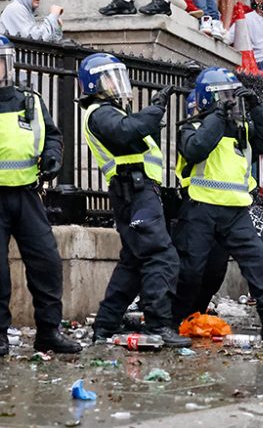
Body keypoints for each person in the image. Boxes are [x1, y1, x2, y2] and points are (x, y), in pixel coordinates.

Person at [0, 33, 80, 356]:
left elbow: (52, 135)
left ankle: (49, 330)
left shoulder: (29, 99)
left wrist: (53, 157)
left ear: (7, 64)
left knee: (46, 262)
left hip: (28, 195)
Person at [172, 67, 263, 341]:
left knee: (261, 261)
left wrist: (257, 109)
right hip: (200, 209)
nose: (232, 102)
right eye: (225, 96)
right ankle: (176, 320)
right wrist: (218, 115)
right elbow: (197, 148)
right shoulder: (191, 127)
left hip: (236, 211)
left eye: (234, 96)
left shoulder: (242, 129)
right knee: (194, 270)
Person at [78, 53, 189, 346]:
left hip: (136, 191)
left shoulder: (109, 110)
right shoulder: (100, 111)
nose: (116, 83)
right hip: (133, 191)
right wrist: (155, 110)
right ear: (94, 84)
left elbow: (131, 134)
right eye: (108, 77)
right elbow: (126, 132)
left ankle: (105, 324)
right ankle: (158, 324)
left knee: (134, 262)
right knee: (159, 255)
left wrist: (147, 121)